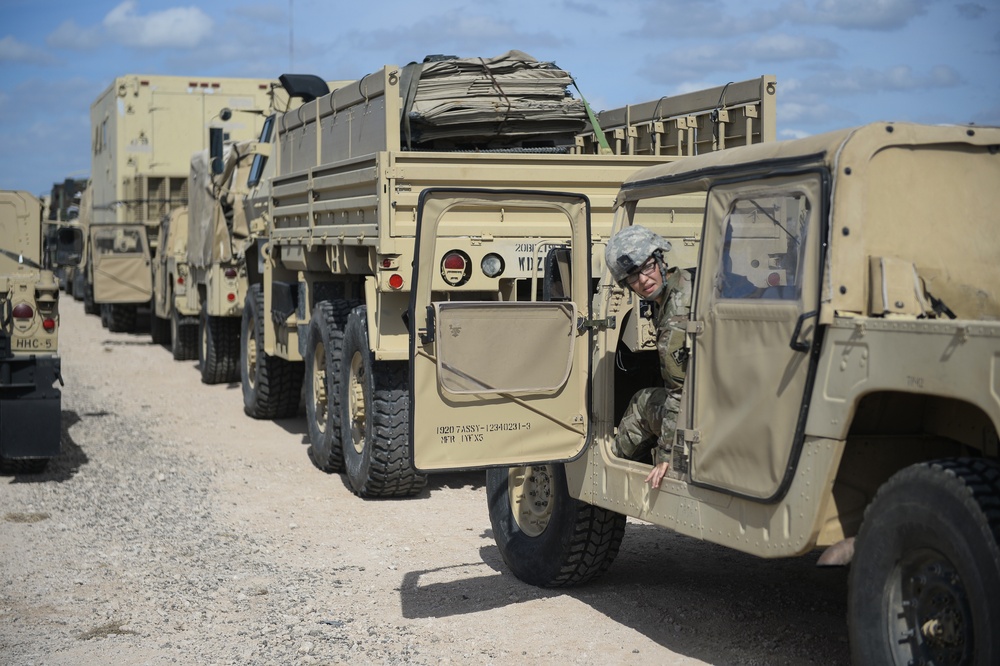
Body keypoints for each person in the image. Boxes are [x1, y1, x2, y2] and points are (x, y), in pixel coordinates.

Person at [605, 225, 693, 489]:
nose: (643, 280)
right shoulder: (688, 281)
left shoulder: (674, 317)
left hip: (705, 410)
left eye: (647, 267)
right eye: (632, 277)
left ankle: (614, 481)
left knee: (642, 403)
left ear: (660, 260)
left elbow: (679, 393)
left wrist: (667, 454)